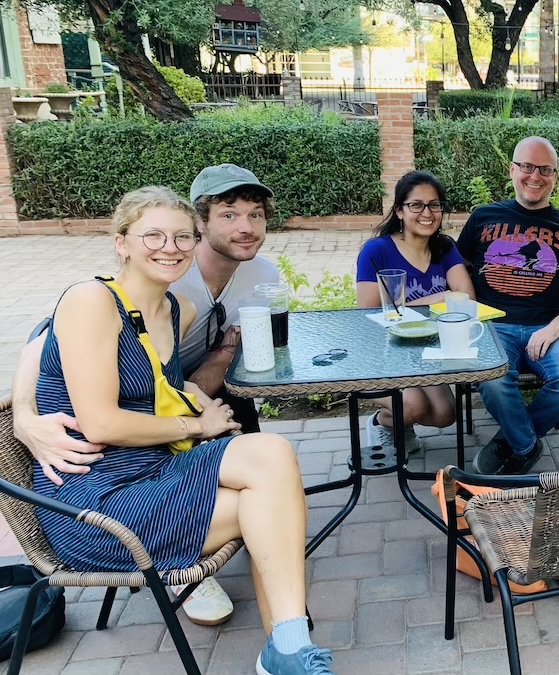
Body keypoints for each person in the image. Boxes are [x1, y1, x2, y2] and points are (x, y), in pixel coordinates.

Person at [28, 187, 334, 674]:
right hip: (94, 503)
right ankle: (287, 651)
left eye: (181, 237)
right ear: (122, 242)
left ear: (194, 243)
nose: (169, 247)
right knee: (273, 504)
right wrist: (198, 421)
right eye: (153, 235)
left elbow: (162, 382)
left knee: (272, 454)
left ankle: (290, 645)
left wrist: (192, 392)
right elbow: (100, 422)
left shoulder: (176, 310)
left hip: (157, 470)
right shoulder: (92, 300)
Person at [11, 163, 281, 627]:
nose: (244, 226)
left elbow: (210, 360)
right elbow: (43, 341)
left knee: (263, 451)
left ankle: (285, 629)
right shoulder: (164, 272)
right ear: (203, 224)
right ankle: (186, 559)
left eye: (255, 215)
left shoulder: (237, 282)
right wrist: (22, 414)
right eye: (229, 214)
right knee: (266, 488)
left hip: (173, 396)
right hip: (118, 445)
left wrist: (198, 388)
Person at [457, 136, 559, 475]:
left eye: (545, 170)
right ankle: (526, 446)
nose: (535, 176)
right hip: (491, 327)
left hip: (546, 328)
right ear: (512, 170)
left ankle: (510, 442)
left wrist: (555, 327)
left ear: (555, 176)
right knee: (491, 379)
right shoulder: (483, 217)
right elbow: (456, 272)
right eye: (527, 167)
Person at [356, 171, 474, 454]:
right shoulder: (377, 250)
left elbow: (467, 296)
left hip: (424, 352)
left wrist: (405, 305)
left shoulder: (445, 248)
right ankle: (385, 422)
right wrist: (440, 298)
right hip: (382, 353)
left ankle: (399, 420)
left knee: (446, 415)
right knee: (412, 406)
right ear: (399, 210)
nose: (427, 213)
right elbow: (369, 309)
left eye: (434, 205)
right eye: (416, 205)